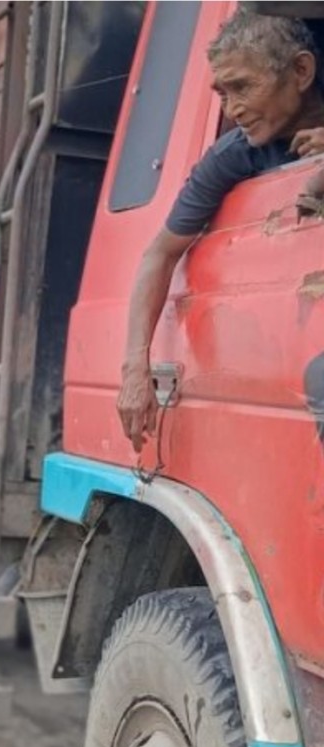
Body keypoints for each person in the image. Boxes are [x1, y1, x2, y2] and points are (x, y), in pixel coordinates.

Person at [118, 10, 324, 452]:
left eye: (243, 87)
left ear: (301, 71)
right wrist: (135, 369)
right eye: (222, 92)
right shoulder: (235, 153)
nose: (232, 110)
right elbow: (159, 253)